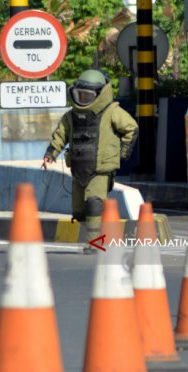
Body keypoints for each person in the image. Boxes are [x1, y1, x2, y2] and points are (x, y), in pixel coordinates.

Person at [42, 69, 138, 246]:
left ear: (100, 94)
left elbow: (131, 128)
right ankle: (97, 237)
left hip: (100, 169)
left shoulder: (112, 112)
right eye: (80, 95)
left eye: (88, 96)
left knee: (94, 204)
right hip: (79, 168)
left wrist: (123, 152)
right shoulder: (71, 116)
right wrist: (50, 154)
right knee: (79, 211)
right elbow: (61, 135)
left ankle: (95, 242)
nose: (83, 100)